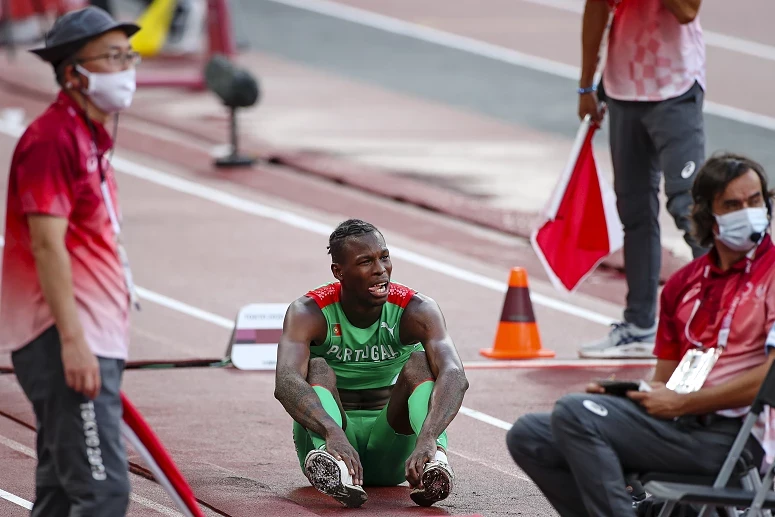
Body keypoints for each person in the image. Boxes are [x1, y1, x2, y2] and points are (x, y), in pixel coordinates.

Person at [506, 153, 775, 516]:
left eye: (754, 200)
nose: (748, 211)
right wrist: (631, 397)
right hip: (682, 426)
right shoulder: (684, 284)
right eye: (732, 204)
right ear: (708, 216)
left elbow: (772, 376)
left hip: (736, 436)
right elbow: (665, 381)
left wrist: (684, 404)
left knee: (576, 413)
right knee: (530, 434)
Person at [0, 7, 141, 516]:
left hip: (88, 335)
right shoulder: (53, 139)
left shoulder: (90, 137)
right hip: (65, 339)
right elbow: (46, 245)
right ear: (72, 73)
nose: (126, 68)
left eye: (129, 55)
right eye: (111, 57)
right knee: (103, 495)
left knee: (61, 494)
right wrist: (74, 342)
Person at [273, 219, 469, 508]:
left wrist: (428, 437)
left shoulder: (416, 310)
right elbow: (286, 381)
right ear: (338, 271)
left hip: (391, 446)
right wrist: (332, 432)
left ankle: (434, 461)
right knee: (316, 368)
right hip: (328, 439)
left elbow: (455, 374)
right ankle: (335, 469)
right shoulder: (308, 312)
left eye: (384, 257)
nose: (380, 269)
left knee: (421, 364)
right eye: (366, 262)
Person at [577, 0, 708, 359]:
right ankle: (639, 326)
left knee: (688, 206)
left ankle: (728, 318)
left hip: (675, 87)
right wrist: (586, 84)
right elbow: (596, 9)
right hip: (622, 87)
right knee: (634, 210)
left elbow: (686, 11)